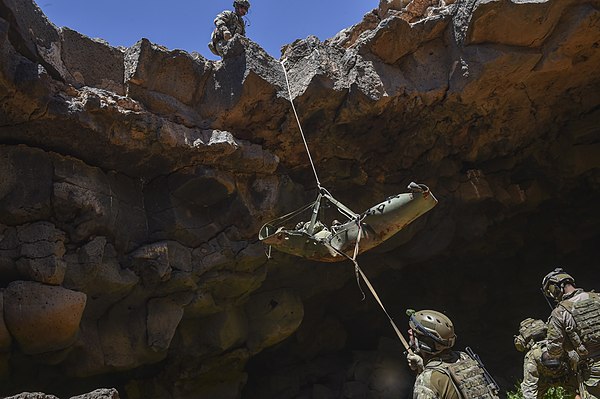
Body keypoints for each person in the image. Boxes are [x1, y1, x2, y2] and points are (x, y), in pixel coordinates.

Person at [406, 309, 499, 399]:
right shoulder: (464, 358)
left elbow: (436, 384)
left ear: (425, 342)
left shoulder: (426, 381)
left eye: (414, 333)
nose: (409, 332)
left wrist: (424, 375)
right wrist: (422, 368)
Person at [542, 268, 600, 398]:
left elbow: (555, 350)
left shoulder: (559, 313)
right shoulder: (598, 298)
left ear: (555, 288)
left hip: (594, 372)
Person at [514, 317, 577, 399]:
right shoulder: (532, 359)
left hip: (565, 375)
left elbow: (578, 367)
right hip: (544, 378)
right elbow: (529, 386)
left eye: (555, 366)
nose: (553, 370)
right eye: (550, 367)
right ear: (541, 361)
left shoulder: (566, 351)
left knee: (583, 389)